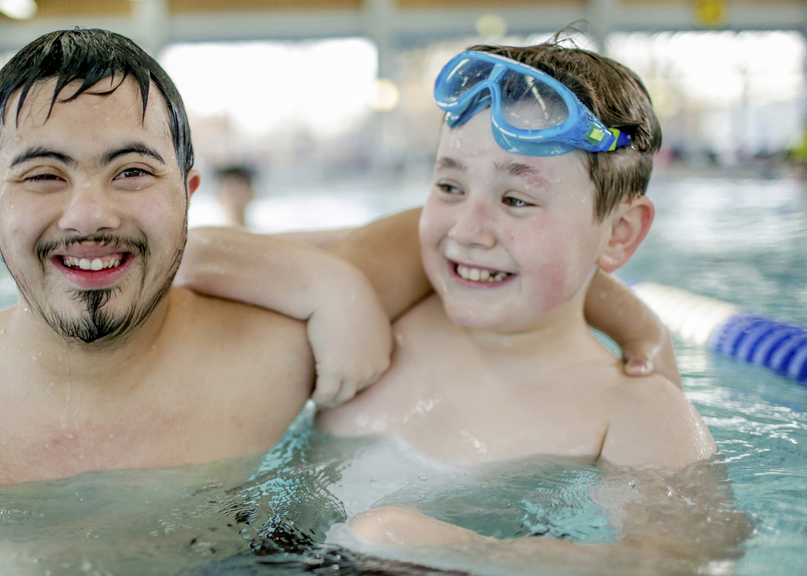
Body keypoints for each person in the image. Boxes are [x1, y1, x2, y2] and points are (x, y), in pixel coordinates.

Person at [0, 28, 671, 491]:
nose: (89, 215)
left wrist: (632, 318)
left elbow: (483, 240)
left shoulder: (274, 348)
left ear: (188, 194)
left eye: (132, 172)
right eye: (43, 175)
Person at [179, 41, 750, 572]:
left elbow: (684, 557)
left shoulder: (633, 412)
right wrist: (336, 289)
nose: (467, 230)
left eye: (516, 199)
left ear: (620, 233)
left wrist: (464, 551)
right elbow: (192, 254)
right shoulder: (393, 306)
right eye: (449, 187)